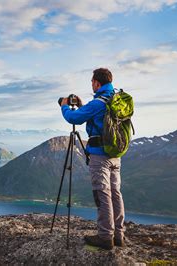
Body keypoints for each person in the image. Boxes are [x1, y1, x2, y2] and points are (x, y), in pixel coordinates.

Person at [59, 68, 125, 250]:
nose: (92, 85)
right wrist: (83, 106)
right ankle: (118, 235)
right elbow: (98, 118)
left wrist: (65, 105)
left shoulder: (98, 102)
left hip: (100, 155)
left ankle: (105, 237)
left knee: (102, 193)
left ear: (97, 82)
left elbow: (73, 118)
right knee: (115, 193)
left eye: (92, 82)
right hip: (115, 155)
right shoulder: (116, 99)